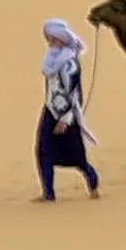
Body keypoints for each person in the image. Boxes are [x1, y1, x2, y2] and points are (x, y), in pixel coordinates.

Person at [35, 18, 100, 203]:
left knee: (76, 156)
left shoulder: (69, 63)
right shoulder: (50, 60)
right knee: (43, 151)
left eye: (54, 39)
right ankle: (48, 193)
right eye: (49, 39)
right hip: (50, 110)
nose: (51, 43)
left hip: (66, 115)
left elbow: (73, 93)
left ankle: (92, 182)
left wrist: (66, 118)